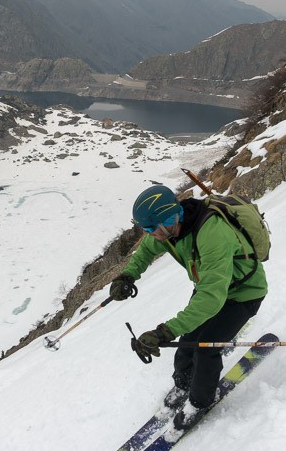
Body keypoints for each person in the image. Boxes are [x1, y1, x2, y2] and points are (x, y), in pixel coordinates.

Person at [109, 184, 267, 430]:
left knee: (205, 348)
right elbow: (146, 251)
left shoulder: (212, 233)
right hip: (210, 287)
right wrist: (127, 276)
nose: (149, 234)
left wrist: (165, 331)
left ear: (168, 220)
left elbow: (211, 299)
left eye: (150, 228)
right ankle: (183, 385)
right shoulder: (170, 231)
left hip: (243, 294)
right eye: (144, 229)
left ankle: (199, 402)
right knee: (187, 342)